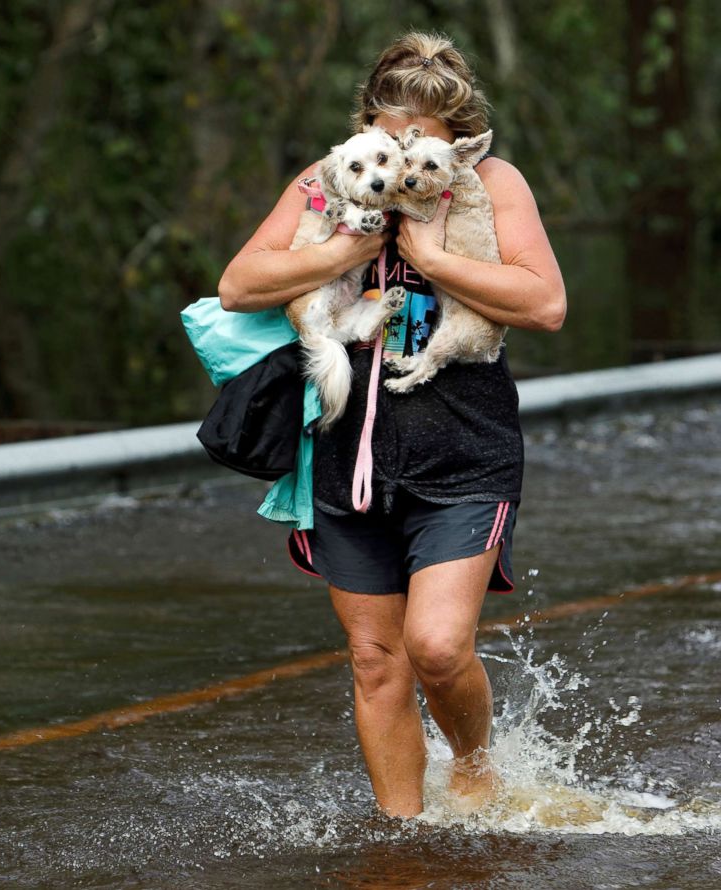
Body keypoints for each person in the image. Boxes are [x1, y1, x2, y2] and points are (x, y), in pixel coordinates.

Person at [217, 31, 566, 818]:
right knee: (377, 661)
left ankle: (474, 765)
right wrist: (347, 242)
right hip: (346, 456)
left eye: (424, 144)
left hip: (463, 450)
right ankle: (402, 839)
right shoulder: (327, 181)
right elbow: (239, 285)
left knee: (437, 648)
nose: (405, 160)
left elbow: (545, 303)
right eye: (394, 137)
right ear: (367, 123)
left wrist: (435, 261)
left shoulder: (490, 182)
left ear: (458, 133)